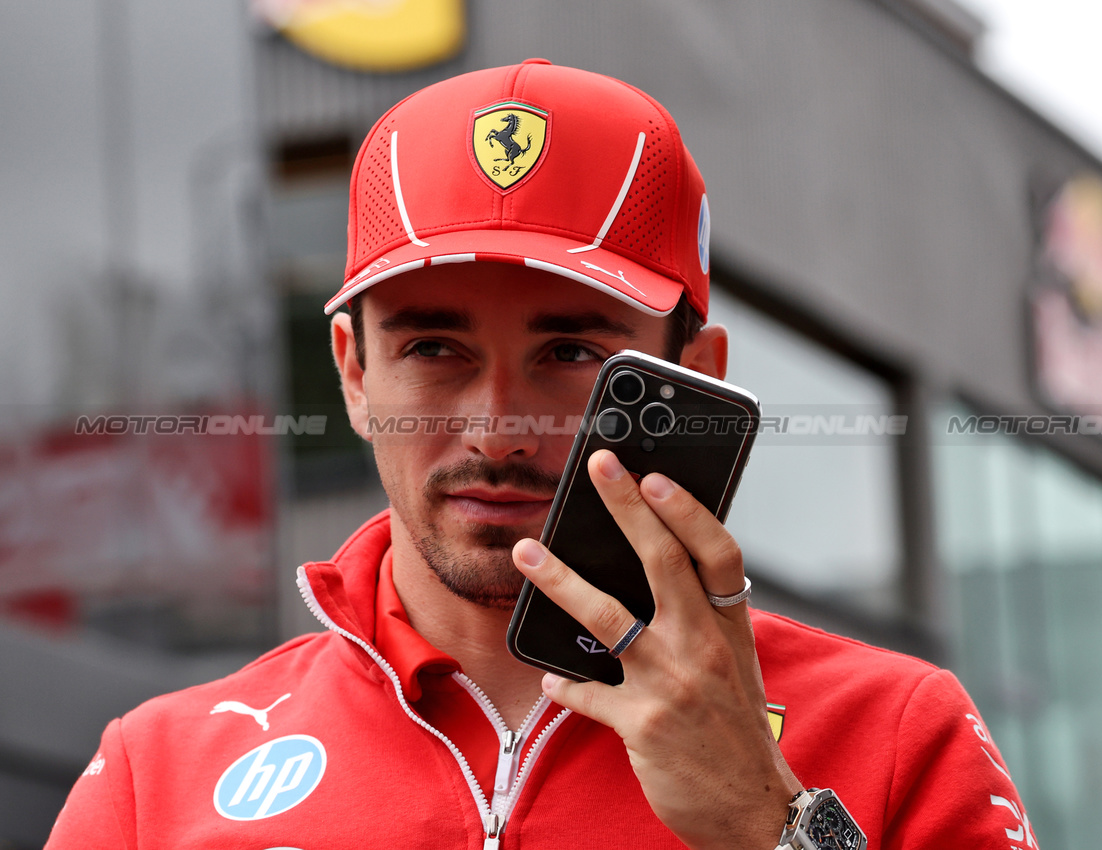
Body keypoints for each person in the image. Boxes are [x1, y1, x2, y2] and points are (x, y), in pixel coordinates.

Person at [46, 60, 1037, 849]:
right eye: (434, 349)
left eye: (570, 354)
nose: (495, 430)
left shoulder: (897, 731)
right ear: (351, 372)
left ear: (695, 370)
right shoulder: (155, 777)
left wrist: (767, 825)